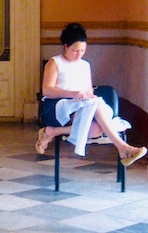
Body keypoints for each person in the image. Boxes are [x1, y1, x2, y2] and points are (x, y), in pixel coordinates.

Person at [35, 22, 146, 166]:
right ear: (66, 46)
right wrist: (73, 94)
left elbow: (88, 90)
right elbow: (47, 90)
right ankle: (123, 148)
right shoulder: (55, 63)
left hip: (79, 104)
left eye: (82, 50)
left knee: (97, 128)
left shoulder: (85, 65)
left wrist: (88, 96)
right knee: (96, 109)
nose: (79, 54)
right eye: (75, 50)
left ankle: (53, 131)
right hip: (58, 105)